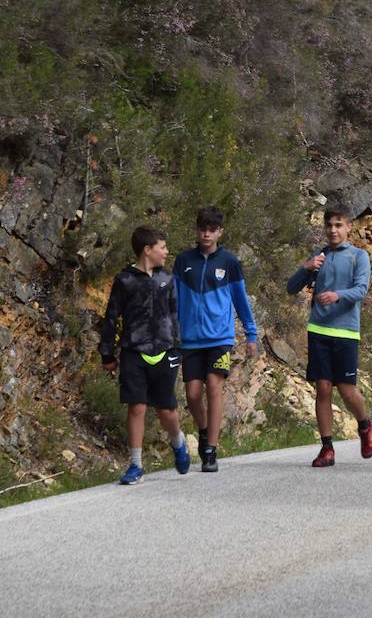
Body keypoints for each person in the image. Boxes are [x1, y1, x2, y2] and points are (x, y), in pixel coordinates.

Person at [286, 205, 372, 468]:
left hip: (346, 331)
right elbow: (292, 288)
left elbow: (360, 290)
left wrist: (338, 295)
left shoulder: (359, 256)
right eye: (329, 225)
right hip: (318, 330)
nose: (333, 230)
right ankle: (327, 449)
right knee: (323, 388)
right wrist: (306, 268)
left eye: (338, 225)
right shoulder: (319, 256)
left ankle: (364, 424)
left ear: (349, 227)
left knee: (347, 390)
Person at [98, 226, 190, 484]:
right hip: (133, 352)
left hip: (165, 351)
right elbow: (111, 317)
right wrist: (107, 353)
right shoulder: (124, 280)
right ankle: (136, 465)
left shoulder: (167, 279)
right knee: (136, 407)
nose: (166, 252)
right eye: (162, 247)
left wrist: (178, 348)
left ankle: (178, 443)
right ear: (147, 250)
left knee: (166, 411)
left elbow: (174, 316)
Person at [175, 206, 260, 473]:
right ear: (197, 230)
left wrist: (251, 333)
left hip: (219, 338)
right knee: (192, 395)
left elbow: (240, 300)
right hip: (189, 339)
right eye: (203, 230)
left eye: (212, 230)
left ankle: (211, 449)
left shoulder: (230, 263)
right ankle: (203, 430)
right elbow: (174, 298)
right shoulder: (183, 260)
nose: (206, 235)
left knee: (214, 386)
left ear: (220, 232)